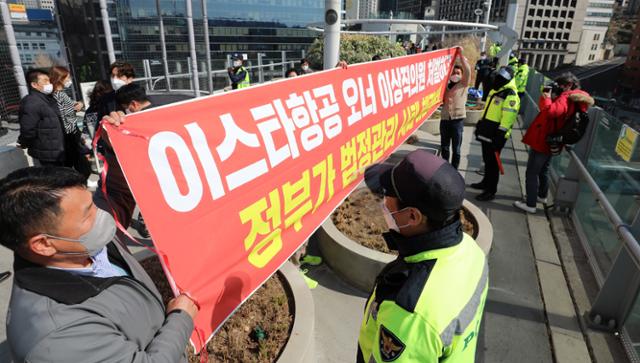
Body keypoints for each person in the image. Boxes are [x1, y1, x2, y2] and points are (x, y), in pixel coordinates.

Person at [0, 166, 198, 362]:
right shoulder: (60, 337)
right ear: (43, 244)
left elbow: (117, 195)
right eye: (87, 215)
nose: (102, 215)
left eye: (93, 203)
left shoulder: (80, 242)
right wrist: (180, 318)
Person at [358, 150, 488, 363]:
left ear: (412, 216)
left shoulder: (409, 314)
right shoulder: (469, 251)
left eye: (386, 195)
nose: (383, 203)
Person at [514, 73, 593, 213]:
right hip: (554, 139)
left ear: (568, 85)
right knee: (544, 169)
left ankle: (530, 204)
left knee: (532, 172)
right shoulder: (577, 99)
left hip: (544, 139)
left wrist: (546, 97)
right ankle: (542, 195)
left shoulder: (565, 97)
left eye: (561, 85)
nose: (558, 87)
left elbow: (550, 112)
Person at [95, 83, 152, 232]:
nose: (125, 112)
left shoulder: (132, 124)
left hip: (135, 181)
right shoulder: (169, 110)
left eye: (125, 108)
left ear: (133, 104)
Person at [471, 66, 520, 201]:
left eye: (501, 78)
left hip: (497, 134)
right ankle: (485, 183)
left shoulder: (510, 95)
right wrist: (481, 123)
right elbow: (488, 109)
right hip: (487, 130)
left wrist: (499, 136)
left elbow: (508, 118)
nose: (497, 79)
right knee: (487, 160)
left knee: (493, 163)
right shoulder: (496, 91)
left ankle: (491, 191)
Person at [49, 66, 92, 182]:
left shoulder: (59, 94)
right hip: (69, 134)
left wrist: (76, 106)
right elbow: (62, 114)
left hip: (71, 133)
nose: (69, 80)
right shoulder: (56, 95)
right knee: (81, 164)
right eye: (67, 78)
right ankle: (81, 183)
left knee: (78, 162)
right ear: (59, 78)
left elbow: (66, 109)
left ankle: (81, 182)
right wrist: (76, 108)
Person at [17, 69, 66, 167]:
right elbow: (28, 129)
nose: (49, 83)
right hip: (48, 155)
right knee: (53, 180)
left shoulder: (47, 99)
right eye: (45, 81)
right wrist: (23, 142)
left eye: (49, 80)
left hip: (58, 151)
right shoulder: (31, 103)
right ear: (34, 85)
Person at [440, 54, 471, 170]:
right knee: (445, 147)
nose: (455, 75)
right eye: (454, 73)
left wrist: (461, 56)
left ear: (462, 75)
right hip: (445, 120)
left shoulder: (463, 85)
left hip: (457, 121)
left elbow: (467, 70)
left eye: (458, 73)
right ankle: (444, 168)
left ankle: (454, 169)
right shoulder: (444, 85)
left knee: (456, 148)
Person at [95, 61, 136, 126]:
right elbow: (98, 123)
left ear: (130, 79)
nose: (114, 80)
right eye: (112, 76)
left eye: (119, 76)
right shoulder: (106, 99)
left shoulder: (140, 96)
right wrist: (105, 123)